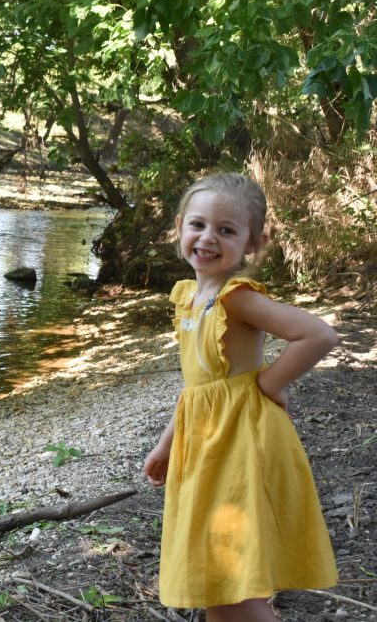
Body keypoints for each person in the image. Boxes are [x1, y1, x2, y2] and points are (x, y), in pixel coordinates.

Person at [143, 172, 339, 621]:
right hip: (207, 446)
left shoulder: (236, 298)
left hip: (240, 447)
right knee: (216, 580)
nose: (208, 238)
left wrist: (268, 385)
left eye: (226, 230)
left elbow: (317, 335)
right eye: (198, 225)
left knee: (229, 581)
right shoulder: (191, 296)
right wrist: (166, 443)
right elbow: (197, 388)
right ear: (178, 228)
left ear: (252, 242)